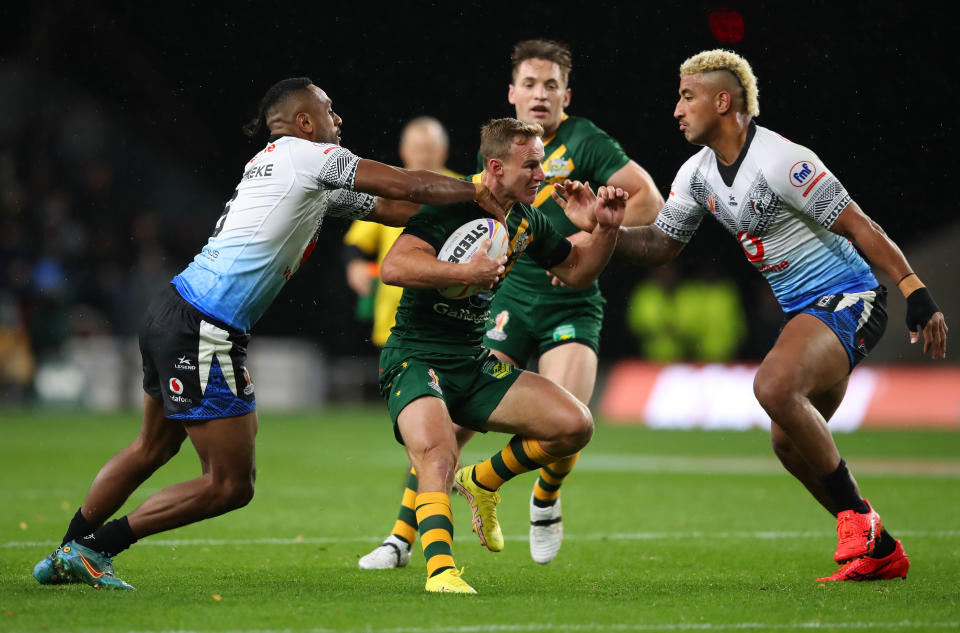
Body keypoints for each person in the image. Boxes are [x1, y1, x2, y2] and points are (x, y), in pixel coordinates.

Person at [30, 77, 504, 590]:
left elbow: (395, 209)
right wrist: (478, 187)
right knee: (230, 484)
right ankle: (94, 549)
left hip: (175, 310)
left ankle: (66, 551)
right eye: (329, 108)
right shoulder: (306, 156)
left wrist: (482, 209)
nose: (338, 119)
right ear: (304, 121)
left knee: (152, 448)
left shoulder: (287, 168)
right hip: (205, 330)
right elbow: (404, 185)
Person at [563, 49, 948, 582]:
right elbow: (660, 245)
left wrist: (915, 290)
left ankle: (857, 519)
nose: (676, 109)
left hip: (850, 297)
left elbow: (859, 225)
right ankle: (879, 548)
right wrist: (606, 228)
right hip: (805, 313)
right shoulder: (696, 174)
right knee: (788, 443)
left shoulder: (783, 160)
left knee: (772, 386)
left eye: (687, 97)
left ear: (724, 101)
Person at [359, 38, 664, 571]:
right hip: (508, 299)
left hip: (569, 302)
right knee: (445, 433)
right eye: (530, 84)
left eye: (551, 85)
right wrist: (470, 272)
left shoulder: (584, 143)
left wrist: (597, 225)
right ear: (512, 93)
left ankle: (539, 498)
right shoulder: (482, 175)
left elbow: (647, 203)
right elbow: (410, 257)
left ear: (567, 95)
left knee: (567, 420)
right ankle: (403, 538)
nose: (540, 94)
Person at [376, 117, 627, 593]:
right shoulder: (450, 203)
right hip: (417, 356)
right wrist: (463, 270)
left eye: (543, 164)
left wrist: (606, 230)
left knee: (575, 425)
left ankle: (484, 480)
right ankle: (441, 572)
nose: (542, 174)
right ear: (495, 167)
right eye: (532, 165)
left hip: (472, 360)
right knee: (437, 450)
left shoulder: (527, 220)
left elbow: (575, 271)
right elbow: (394, 265)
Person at [344, 117, 460, 348]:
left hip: (449, 313)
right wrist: (354, 265)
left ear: (444, 151)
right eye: (417, 149)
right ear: (403, 150)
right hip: (395, 318)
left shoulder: (463, 189)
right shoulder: (390, 189)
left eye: (429, 149)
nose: (423, 156)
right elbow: (355, 243)